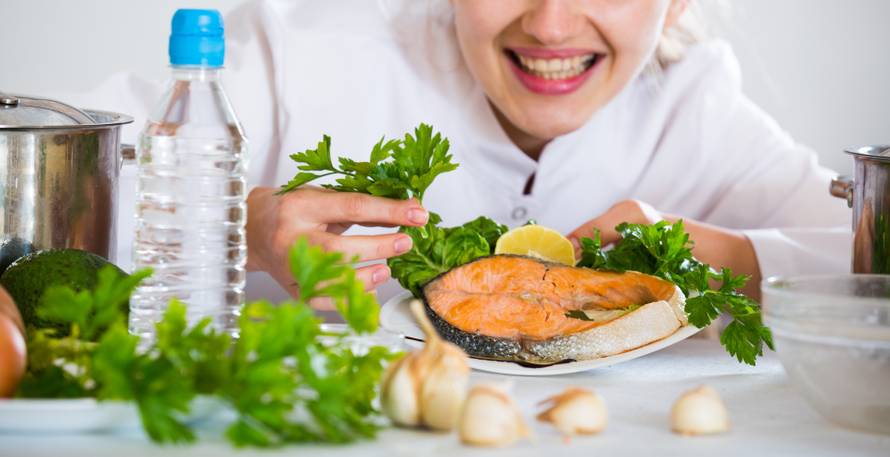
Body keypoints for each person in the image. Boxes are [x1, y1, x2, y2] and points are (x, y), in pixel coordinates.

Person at [69, 0, 851, 306]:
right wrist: (245, 219)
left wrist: (701, 250)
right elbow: (65, 185)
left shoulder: (693, 104)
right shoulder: (298, 54)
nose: (550, 25)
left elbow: (863, 259)